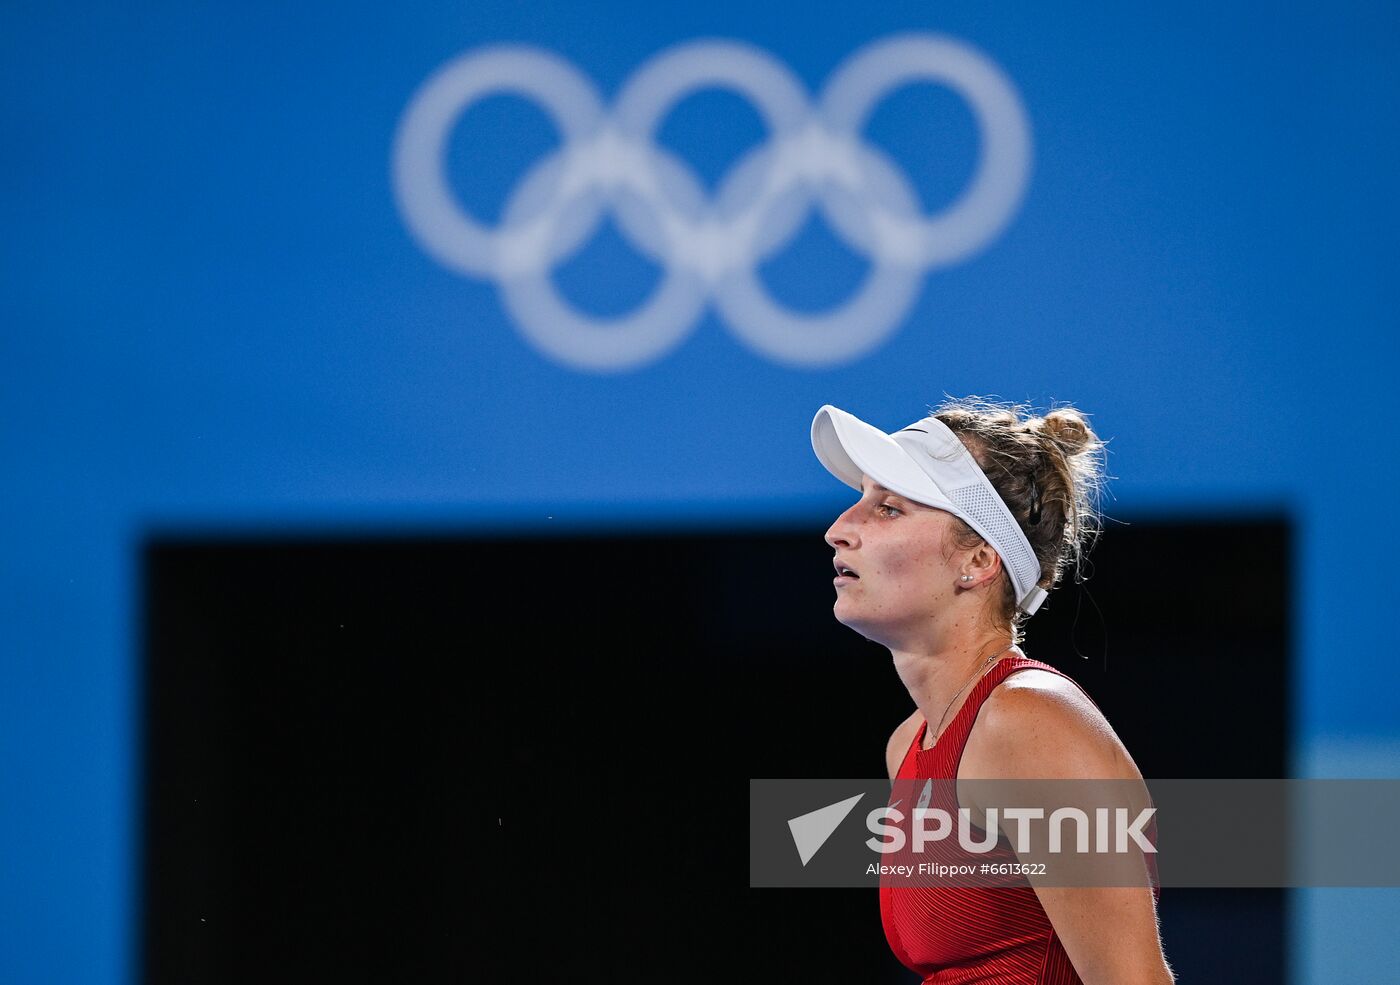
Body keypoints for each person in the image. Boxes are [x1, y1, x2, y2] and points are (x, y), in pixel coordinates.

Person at [811, 397, 1175, 985]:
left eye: (889, 509)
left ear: (978, 561)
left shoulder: (1026, 723)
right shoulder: (909, 745)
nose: (839, 530)